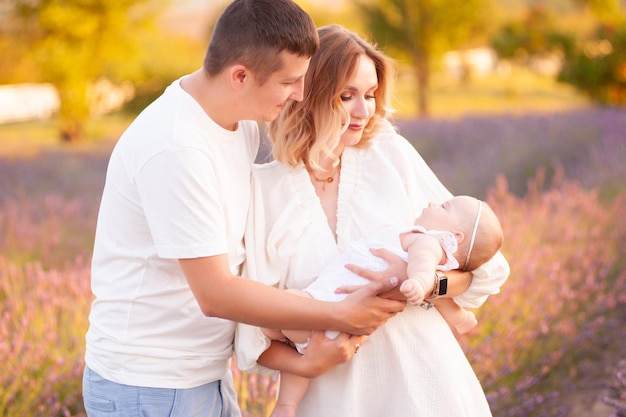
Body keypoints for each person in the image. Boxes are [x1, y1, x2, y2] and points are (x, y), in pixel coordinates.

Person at [82, 3, 406, 416]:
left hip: (203, 374)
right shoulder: (176, 147)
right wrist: (340, 313)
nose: (300, 94)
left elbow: (306, 135)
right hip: (151, 384)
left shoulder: (239, 121)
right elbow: (215, 293)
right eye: (289, 81)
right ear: (240, 76)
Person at [236, 24, 510, 417]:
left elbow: (481, 266)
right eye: (346, 96)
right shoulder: (263, 190)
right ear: (306, 94)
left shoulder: (390, 154)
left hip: (427, 388)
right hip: (332, 398)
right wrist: (305, 367)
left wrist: (428, 281)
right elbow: (254, 331)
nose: (364, 111)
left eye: (369, 95)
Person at [261, 195, 503, 416]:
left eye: (443, 207)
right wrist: (458, 317)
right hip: (331, 322)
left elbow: (424, 264)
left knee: (279, 318)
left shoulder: (428, 241)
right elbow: (442, 300)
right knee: (298, 348)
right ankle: (286, 405)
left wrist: (418, 280)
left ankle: (286, 402)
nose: (431, 203)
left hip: (326, 308)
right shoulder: (417, 238)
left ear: (454, 237)